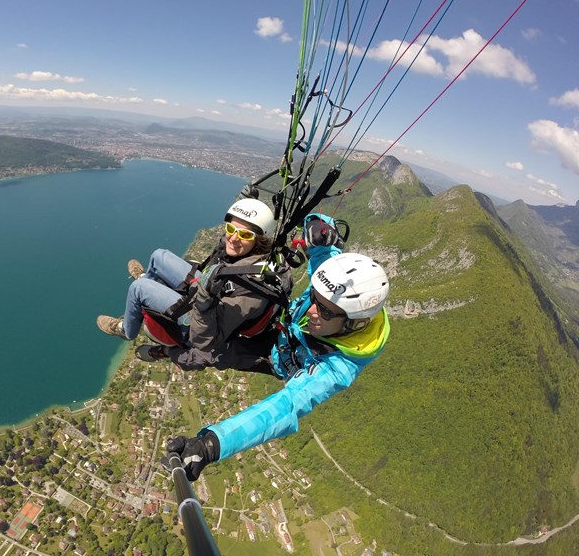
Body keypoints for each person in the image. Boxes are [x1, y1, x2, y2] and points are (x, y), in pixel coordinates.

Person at [165, 213, 390, 481]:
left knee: (216, 355)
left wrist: (212, 445)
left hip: (275, 359)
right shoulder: (335, 290)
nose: (313, 311)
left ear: (353, 324)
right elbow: (324, 251)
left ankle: (169, 352)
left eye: (327, 312)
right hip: (280, 328)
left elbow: (287, 406)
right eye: (315, 298)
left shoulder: (339, 366)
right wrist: (318, 226)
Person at [96, 198, 291, 366]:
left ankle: (126, 329)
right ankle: (147, 283)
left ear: (260, 239)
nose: (233, 238)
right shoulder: (253, 258)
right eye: (231, 229)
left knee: (138, 288)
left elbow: (205, 339)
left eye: (245, 234)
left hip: (199, 321)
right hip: (211, 292)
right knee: (158, 256)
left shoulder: (251, 291)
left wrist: (205, 299)